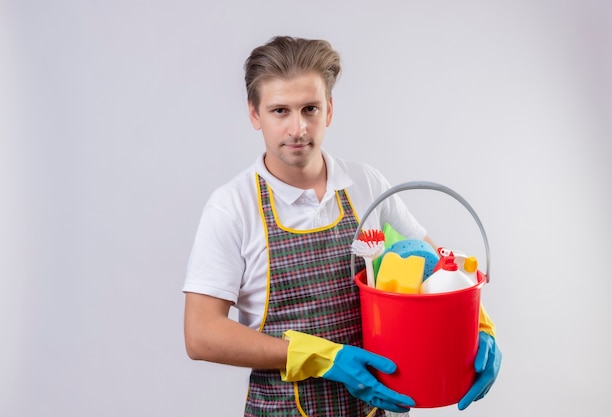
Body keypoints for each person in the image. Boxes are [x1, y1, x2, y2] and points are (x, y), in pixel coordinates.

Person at [183, 36, 501, 417]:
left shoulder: (366, 185)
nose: (298, 128)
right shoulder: (233, 207)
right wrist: (322, 357)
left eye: (310, 109)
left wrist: (478, 327)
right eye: (280, 111)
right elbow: (201, 334)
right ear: (255, 114)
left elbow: (435, 270)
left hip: (371, 409)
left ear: (329, 110)